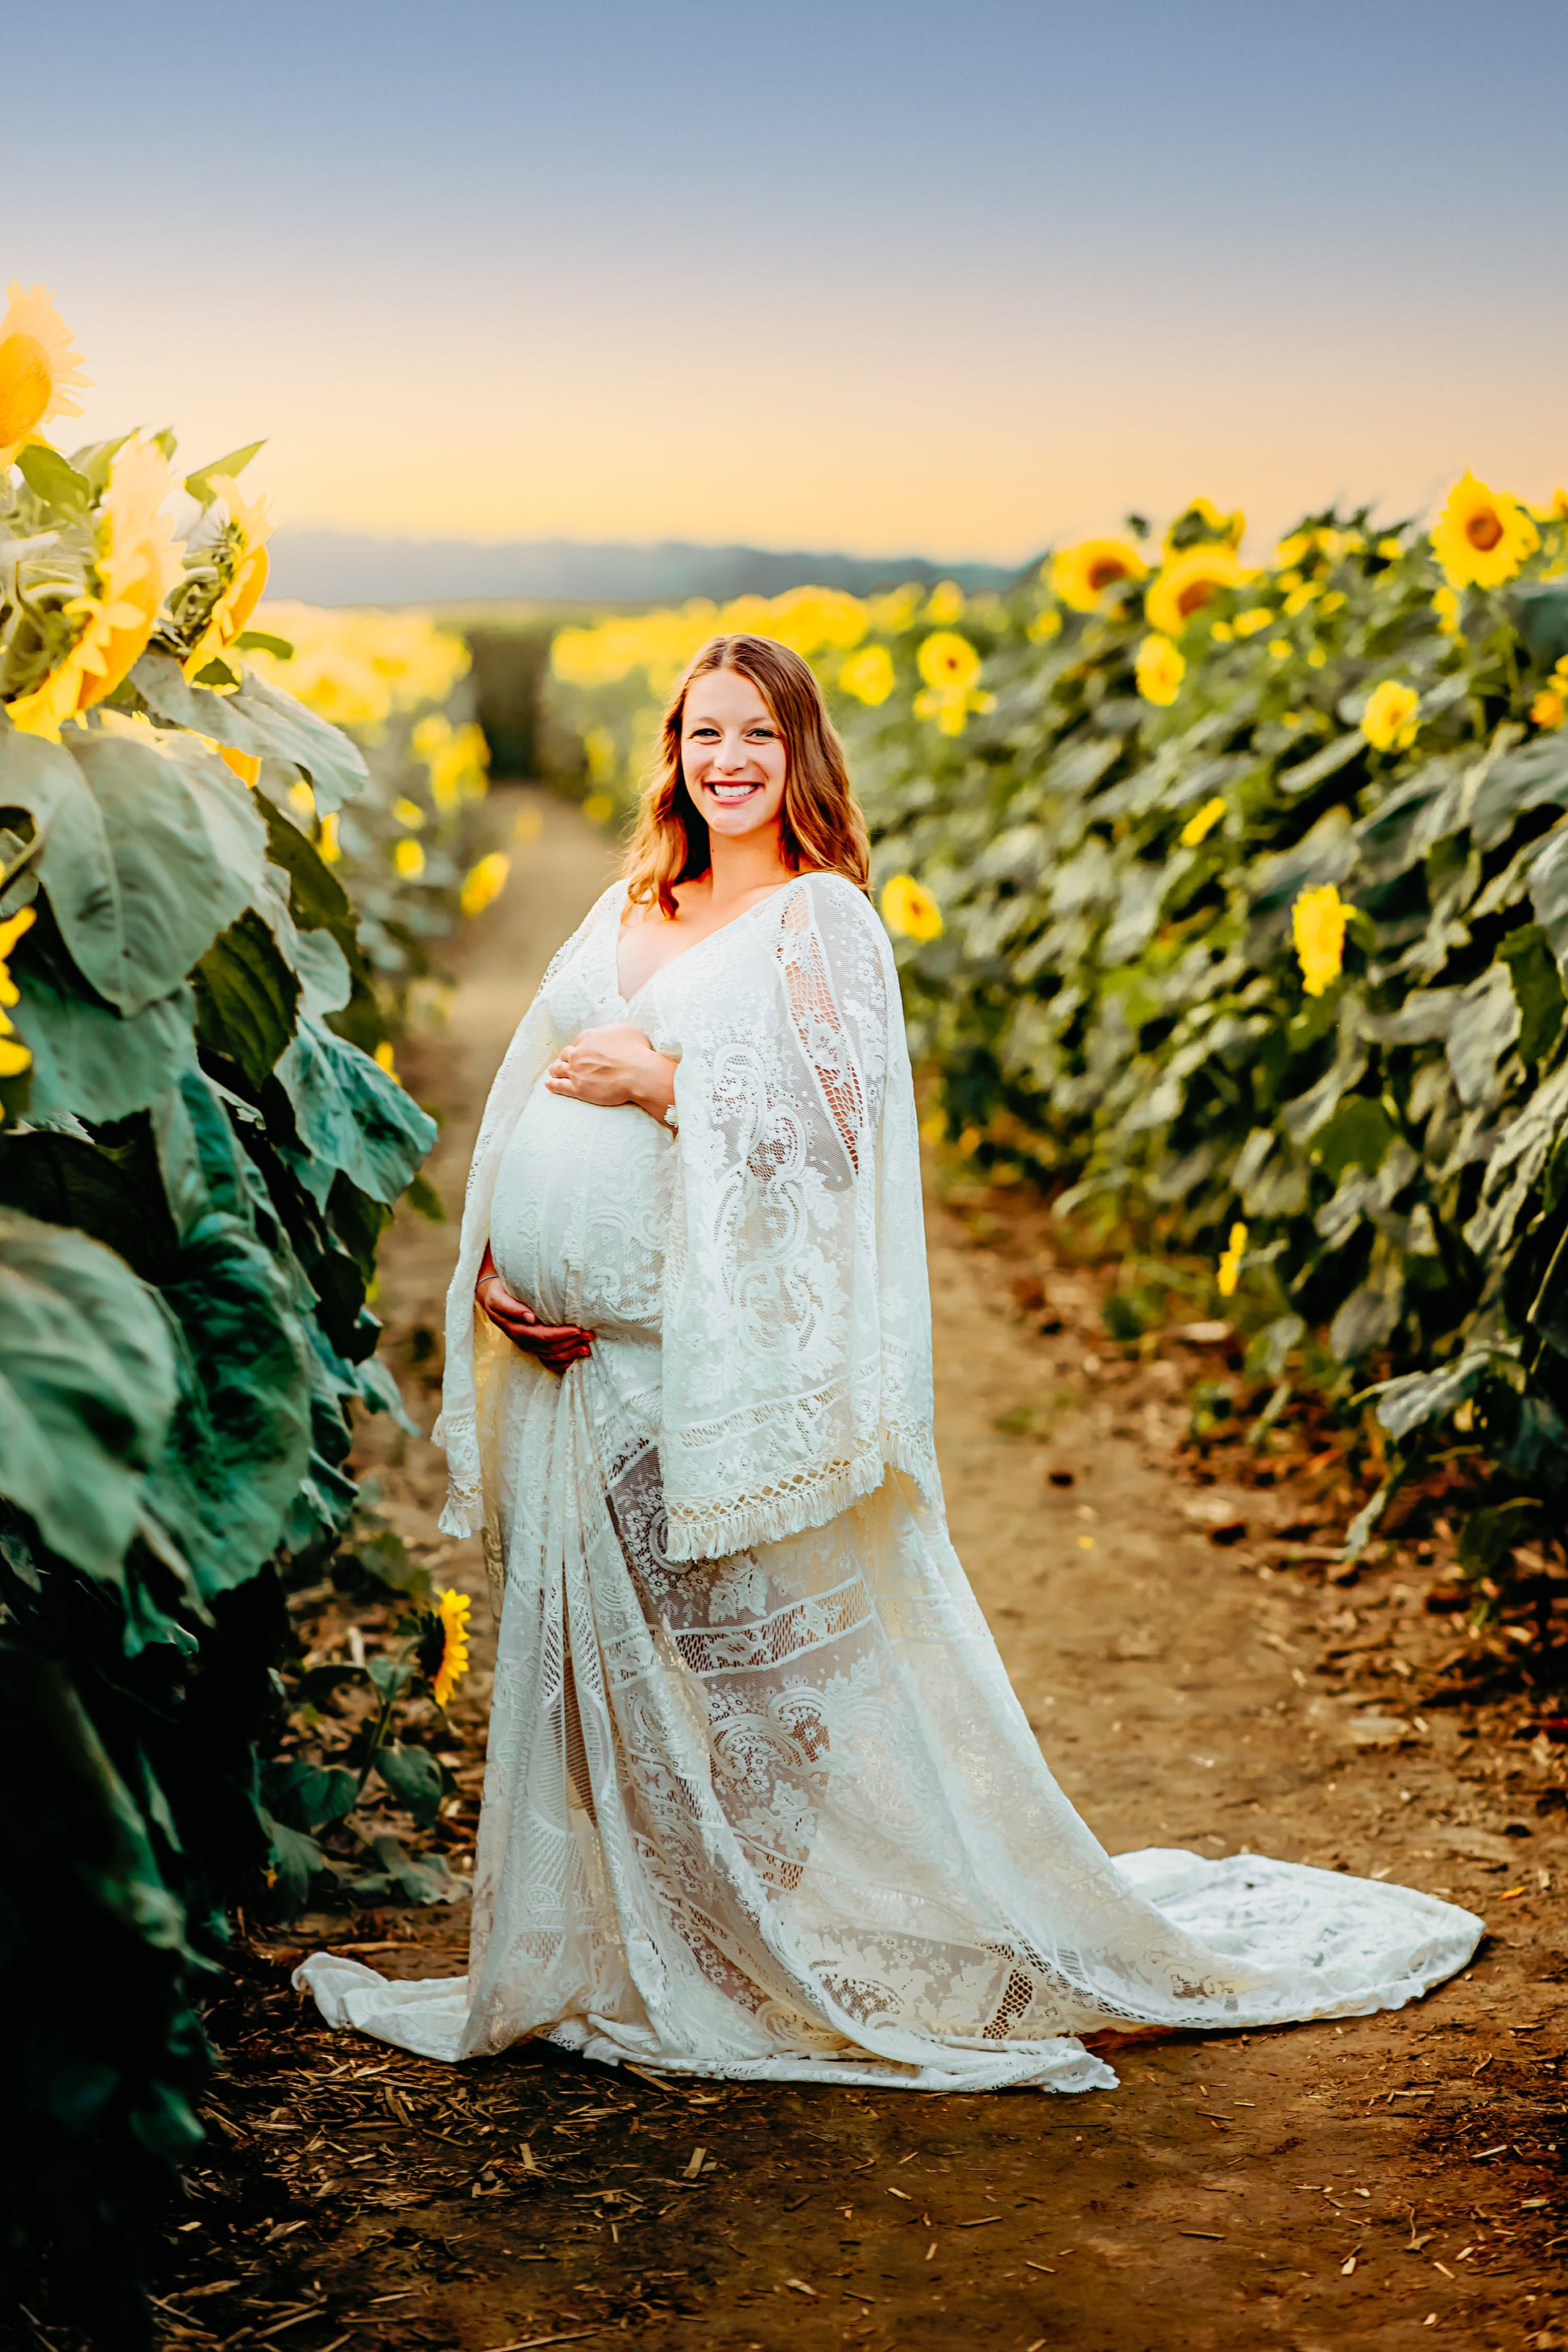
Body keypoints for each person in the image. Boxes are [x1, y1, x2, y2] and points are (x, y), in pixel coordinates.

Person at [297, 634, 1480, 2090]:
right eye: (701, 733)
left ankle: (767, 1942)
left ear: (801, 756)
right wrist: (494, 1260)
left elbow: (839, 1137)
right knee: (599, 1677)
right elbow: (523, 1101)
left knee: (744, 1673)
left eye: (757, 736)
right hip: (566, 1366)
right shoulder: (627, 901)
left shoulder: (819, 920)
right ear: (670, 753)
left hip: (695, 1367)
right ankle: (660, 1935)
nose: (725, 761)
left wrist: (667, 1085)